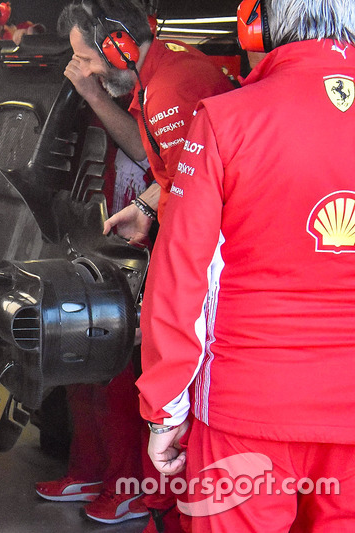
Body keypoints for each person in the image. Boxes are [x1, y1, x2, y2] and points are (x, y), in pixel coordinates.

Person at [138, 0, 355, 531]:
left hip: (246, 407)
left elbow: (182, 274)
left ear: (255, 23)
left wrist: (166, 410)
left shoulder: (227, 119)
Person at [56, 0, 234, 528]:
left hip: (209, 270)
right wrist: (148, 206)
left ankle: (164, 499)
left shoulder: (174, 88)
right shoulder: (161, 76)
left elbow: (198, 193)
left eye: (85, 57)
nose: (82, 69)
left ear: (118, 47)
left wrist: (166, 255)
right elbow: (174, 169)